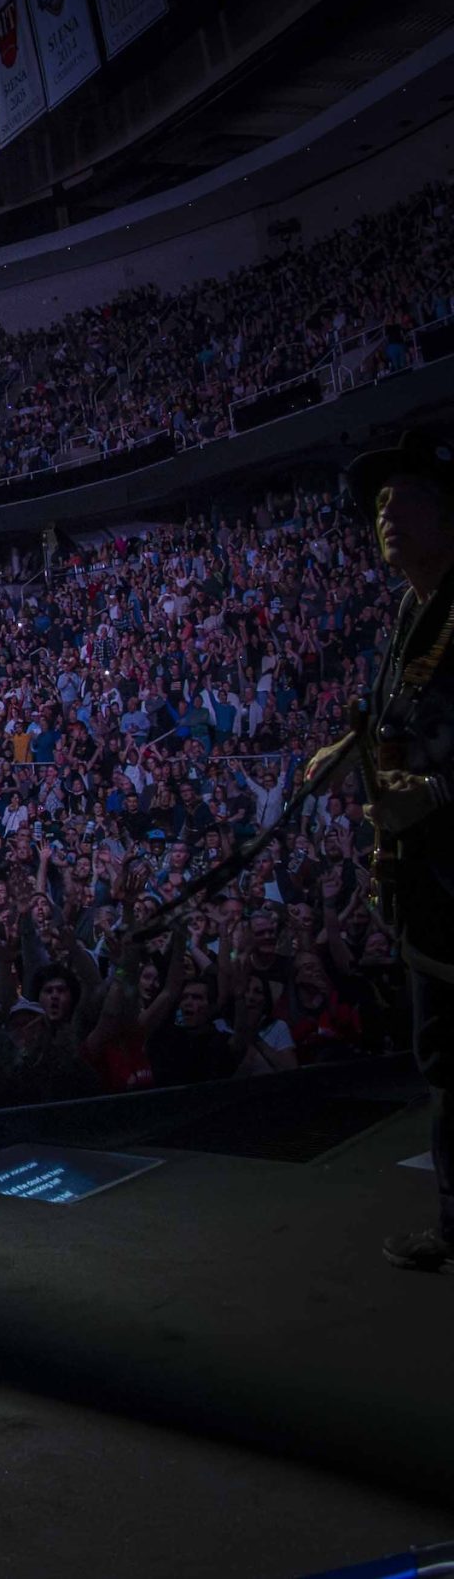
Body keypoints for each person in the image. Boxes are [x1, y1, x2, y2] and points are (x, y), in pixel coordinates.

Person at [304, 425, 454, 1271]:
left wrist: (433, 794)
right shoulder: (408, 611)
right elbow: (391, 721)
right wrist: (346, 752)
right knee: (447, 1060)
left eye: (405, 499)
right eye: (379, 506)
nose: (386, 516)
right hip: (431, 882)